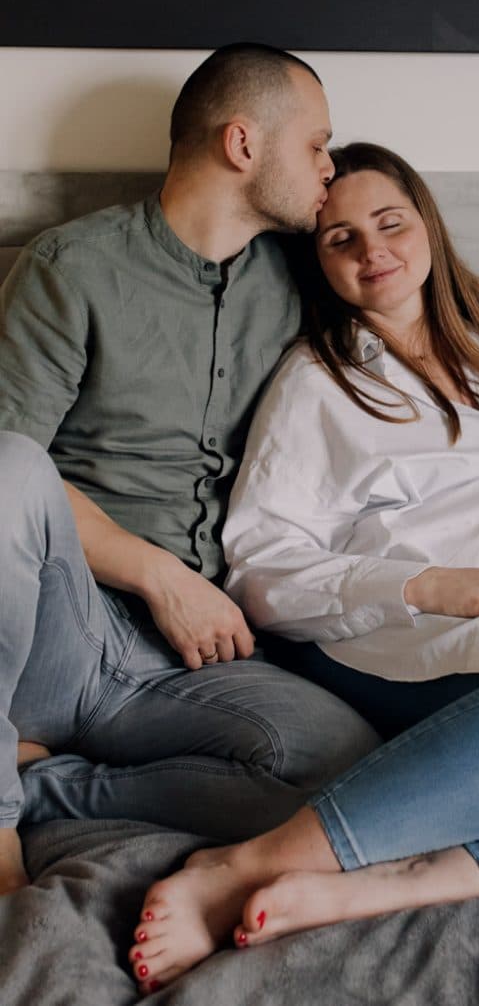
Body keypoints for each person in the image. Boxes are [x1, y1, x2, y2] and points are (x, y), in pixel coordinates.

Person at [127, 142, 479, 994]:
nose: (372, 251)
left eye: (388, 223)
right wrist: (430, 585)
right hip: (421, 644)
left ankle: (401, 881)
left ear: (425, 224)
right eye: (340, 240)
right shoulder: (319, 384)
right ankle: (241, 865)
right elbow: (262, 566)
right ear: (318, 265)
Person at [0, 49, 382, 899]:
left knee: (345, 767)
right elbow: (8, 480)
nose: (329, 168)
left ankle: (46, 787)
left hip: (193, 662)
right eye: (316, 144)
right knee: (4, 464)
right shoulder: (73, 267)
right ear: (242, 144)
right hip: (62, 627)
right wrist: (159, 575)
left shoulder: (302, 281)